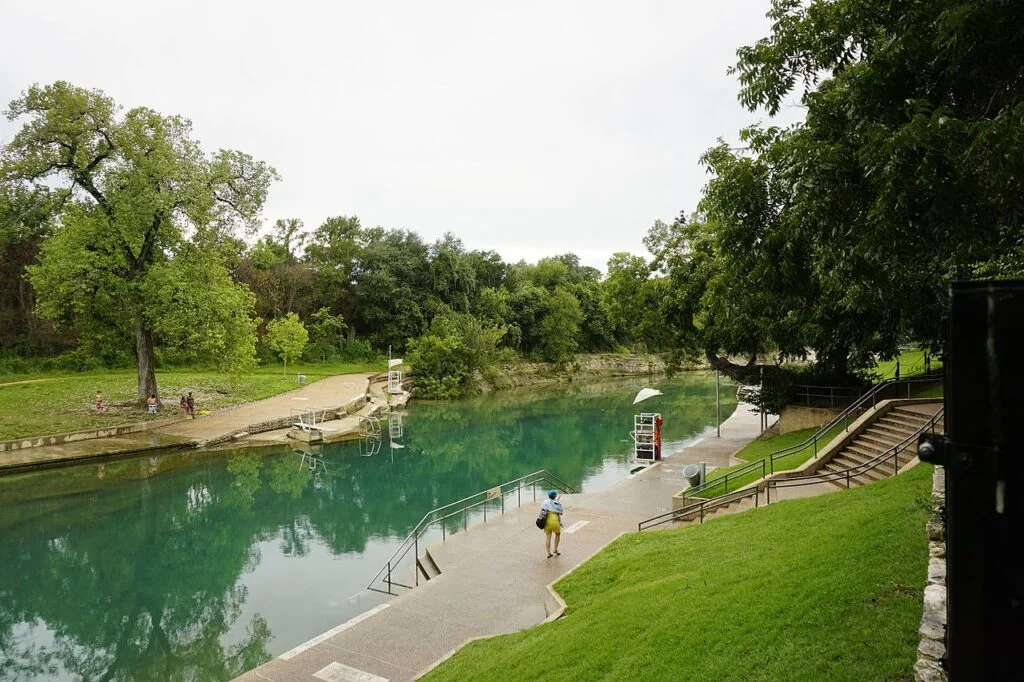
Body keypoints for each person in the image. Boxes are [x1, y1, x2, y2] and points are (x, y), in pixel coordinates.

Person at [541, 490, 564, 558]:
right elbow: (561, 512)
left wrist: (557, 500)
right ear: (555, 496)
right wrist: (557, 501)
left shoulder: (545, 502)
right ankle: (555, 549)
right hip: (554, 520)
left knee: (548, 537)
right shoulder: (557, 503)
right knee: (557, 534)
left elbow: (544, 508)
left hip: (547, 521)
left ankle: (548, 553)